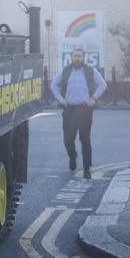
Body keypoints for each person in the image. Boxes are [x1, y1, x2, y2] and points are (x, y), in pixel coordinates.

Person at [50, 49, 107, 179]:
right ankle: (73, 156)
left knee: (85, 139)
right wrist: (60, 99)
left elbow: (102, 84)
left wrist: (94, 98)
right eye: (75, 56)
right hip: (69, 109)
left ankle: (87, 169)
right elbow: (53, 84)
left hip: (85, 109)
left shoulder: (90, 70)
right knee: (68, 140)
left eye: (79, 56)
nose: (77, 58)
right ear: (71, 57)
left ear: (83, 58)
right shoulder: (65, 71)